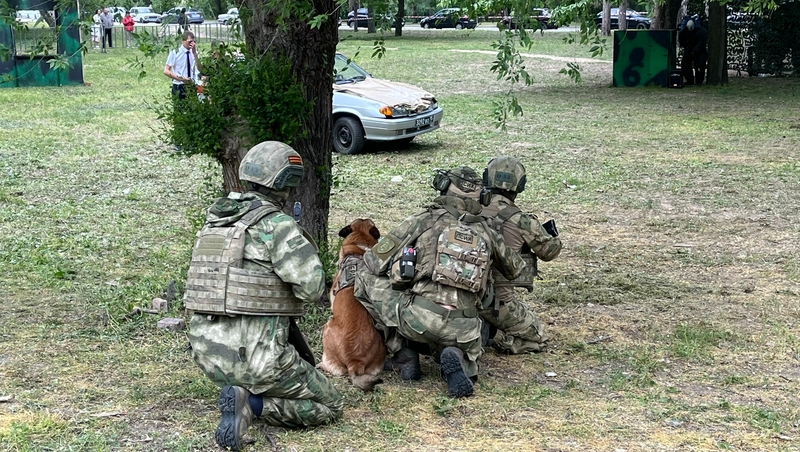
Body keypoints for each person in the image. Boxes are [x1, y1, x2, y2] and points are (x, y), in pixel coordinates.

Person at [185, 141, 344, 451]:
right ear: (286, 182)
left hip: (209, 355)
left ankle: (241, 393)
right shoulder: (277, 226)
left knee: (272, 370)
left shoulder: (214, 224)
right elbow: (311, 289)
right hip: (261, 360)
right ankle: (253, 406)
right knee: (331, 405)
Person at [354, 166, 525, 398]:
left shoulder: (424, 220)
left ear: (443, 187)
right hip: (465, 328)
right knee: (463, 339)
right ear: (482, 197)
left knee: (364, 275)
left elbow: (374, 261)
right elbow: (515, 269)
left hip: (418, 319)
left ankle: (403, 353)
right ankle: (459, 356)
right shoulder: (488, 230)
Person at [479, 156, 562, 354]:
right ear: (520, 185)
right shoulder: (522, 221)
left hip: (462, 294)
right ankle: (490, 334)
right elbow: (549, 252)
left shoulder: (468, 208)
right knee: (539, 338)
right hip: (497, 302)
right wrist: (551, 236)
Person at [163, 31, 200, 100]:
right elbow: (166, 70)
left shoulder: (194, 53)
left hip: (191, 84)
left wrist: (195, 53)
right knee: (179, 108)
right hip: (179, 85)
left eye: (193, 41)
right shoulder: (175, 52)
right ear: (183, 41)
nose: (192, 44)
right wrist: (181, 79)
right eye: (189, 42)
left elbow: (200, 68)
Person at [678, 18, 709, 85]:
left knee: (700, 65)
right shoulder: (684, 31)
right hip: (689, 49)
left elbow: (701, 43)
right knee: (685, 64)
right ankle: (689, 80)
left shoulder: (701, 32)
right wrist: (686, 46)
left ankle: (699, 81)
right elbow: (681, 39)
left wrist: (695, 50)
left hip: (700, 51)